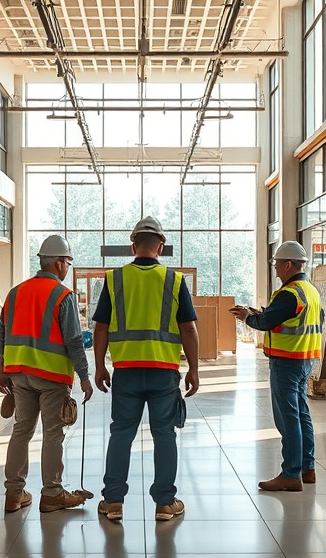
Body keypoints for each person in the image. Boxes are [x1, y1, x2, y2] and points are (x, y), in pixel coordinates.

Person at [93, 215, 200, 522]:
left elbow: (100, 328)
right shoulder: (174, 280)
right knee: (164, 434)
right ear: (161, 246)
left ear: (133, 246)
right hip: (163, 371)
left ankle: (113, 502)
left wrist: (100, 366)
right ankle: (165, 503)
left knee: (121, 433)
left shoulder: (115, 279)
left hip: (125, 371)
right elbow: (189, 329)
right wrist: (193, 369)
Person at [0, 235, 95, 514]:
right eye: (68, 263)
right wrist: (85, 376)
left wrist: (0, 369)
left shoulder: (16, 292)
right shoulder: (62, 295)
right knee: (53, 434)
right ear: (60, 262)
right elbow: (74, 340)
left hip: (19, 376)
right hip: (51, 377)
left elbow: (0, 333)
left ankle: (14, 494)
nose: (68, 268)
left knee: (21, 431)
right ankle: (52, 493)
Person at [229, 240, 323, 492]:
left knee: (288, 418)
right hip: (305, 360)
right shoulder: (310, 290)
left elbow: (267, 322)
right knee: (302, 414)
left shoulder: (289, 293)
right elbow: (289, 319)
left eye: (278, 265)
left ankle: (291, 474)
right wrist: (259, 313)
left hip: (287, 361)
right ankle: (307, 467)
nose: (276, 270)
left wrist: (248, 317)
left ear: (289, 264)